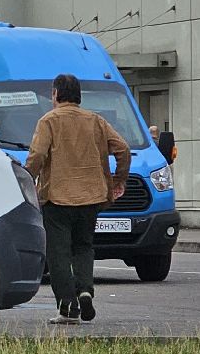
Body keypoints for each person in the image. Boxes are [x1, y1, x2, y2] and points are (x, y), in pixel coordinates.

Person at [25, 73, 130, 325]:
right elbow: (123, 149)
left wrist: (28, 179)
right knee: (83, 247)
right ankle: (85, 290)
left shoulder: (48, 121)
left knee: (58, 253)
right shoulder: (95, 120)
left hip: (57, 199)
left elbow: (37, 155)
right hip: (91, 197)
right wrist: (118, 180)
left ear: (55, 94)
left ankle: (68, 308)